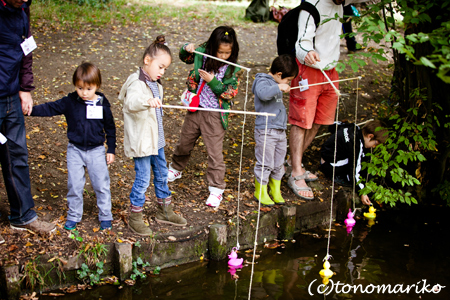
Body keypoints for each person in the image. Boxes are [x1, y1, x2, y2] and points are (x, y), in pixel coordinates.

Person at [288, 0, 364, 201]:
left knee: (321, 120)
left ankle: (292, 162)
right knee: (302, 121)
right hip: (308, 69)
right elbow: (301, 43)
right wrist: (308, 53)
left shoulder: (342, 2)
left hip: (331, 70)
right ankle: (296, 172)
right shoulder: (312, 6)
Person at [31, 62, 116, 230]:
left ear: (97, 86)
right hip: (75, 150)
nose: (84, 93)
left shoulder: (102, 104)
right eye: (80, 88)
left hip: (97, 150)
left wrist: (111, 149)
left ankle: (105, 215)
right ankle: (74, 215)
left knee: (101, 184)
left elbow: (110, 127)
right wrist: (29, 110)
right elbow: (50, 108)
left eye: (89, 89)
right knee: (75, 185)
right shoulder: (70, 102)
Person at [119, 35, 187, 236]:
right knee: (142, 178)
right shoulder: (136, 83)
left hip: (156, 140)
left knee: (161, 174)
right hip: (142, 143)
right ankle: (135, 217)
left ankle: (164, 211)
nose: (162, 71)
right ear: (147, 61)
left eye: (165, 68)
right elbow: (131, 103)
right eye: (160, 67)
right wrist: (147, 101)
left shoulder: (156, 84)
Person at [167, 26, 241, 208]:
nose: (223, 56)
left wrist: (213, 81)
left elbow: (230, 93)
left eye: (227, 53)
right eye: (220, 52)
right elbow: (185, 57)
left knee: (214, 153)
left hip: (215, 114)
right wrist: (186, 48)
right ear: (212, 47)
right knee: (185, 141)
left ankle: (216, 189)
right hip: (196, 108)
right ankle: (176, 168)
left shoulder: (232, 70)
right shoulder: (202, 52)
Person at [0, 0, 56, 237]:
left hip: (11, 95)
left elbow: (26, 47)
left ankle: (22, 216)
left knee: (17, 155)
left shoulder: (22, 6)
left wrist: (25, 87)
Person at [252, 54, 298, 207]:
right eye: (287, 80)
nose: (288, 83)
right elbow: (263, 94)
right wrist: (278, 86)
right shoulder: (262, 81)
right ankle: (260, 190)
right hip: (266, 130)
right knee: (265, 163)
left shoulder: (276, 83)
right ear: (279, 75)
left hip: (279, 130)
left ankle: (275, 190)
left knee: (278, 163)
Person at [320, 120, 388, 205]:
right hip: (330, 166)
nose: (374, 147)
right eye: (375, 144)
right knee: (357, 163)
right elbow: (354, 172)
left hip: (325, 156)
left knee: (363, 157)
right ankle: (341, 178)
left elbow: (335, 125)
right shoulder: (356, 145)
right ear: (370, 136)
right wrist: (362, 191)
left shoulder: (354, 127)